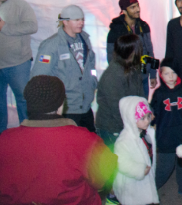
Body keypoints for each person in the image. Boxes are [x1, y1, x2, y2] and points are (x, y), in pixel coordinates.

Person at [0, 75, 117, 204]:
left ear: (28, 104)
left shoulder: (4, 140)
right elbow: (105, 179)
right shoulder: (85, 140)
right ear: (61, 105)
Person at [31, 5, 97, 131]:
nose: (81, 23)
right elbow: (38, 78)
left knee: (91, 142)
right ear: (65, 22)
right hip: (66, 108)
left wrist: (93, 81)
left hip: (85, 107)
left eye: (82, 19)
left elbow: (91, 66)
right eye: (76, 20)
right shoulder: (51, 45)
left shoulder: (85, 40)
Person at [150, 58, 182, 196]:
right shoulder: (159, 94)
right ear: (161, 75)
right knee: (164, 168)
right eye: (166, 73)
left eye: (173, 73)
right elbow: (152, 114)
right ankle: (150, 189)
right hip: (165, 138)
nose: (170, 76)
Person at [0, 0, 38, 133]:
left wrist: (5, 27)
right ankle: (2, 137)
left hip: (18, 63)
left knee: (23, 100)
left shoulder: (21, 5)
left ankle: (27, 135)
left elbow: (32, 26)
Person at [96, 34, 145, 148]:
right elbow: (117, 108)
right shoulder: (113, 75)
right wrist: (132, 129)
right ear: (132, 51)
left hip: (129, 126)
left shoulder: (133, 68)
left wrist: (146, 114)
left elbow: (140, 97)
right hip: (112, 128)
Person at [107, 0, 156, 96]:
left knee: (143, 105)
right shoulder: (116, 30)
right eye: (133, 7)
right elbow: (111, 56)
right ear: (124, 11)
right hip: (125, 81)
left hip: (143, 78)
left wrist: (153, 74)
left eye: (137, 5)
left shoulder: (144, 26)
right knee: (128, 106)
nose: (137, 9)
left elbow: (149, 51)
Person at [113, 96, 158, 205]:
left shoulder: (146, 133)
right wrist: (139, 170)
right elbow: (121, 162)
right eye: (142, 118)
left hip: (147, 178)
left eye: (148, 116)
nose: (147, 121)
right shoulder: (124, 141)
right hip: (131, 184)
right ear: (131, 119)